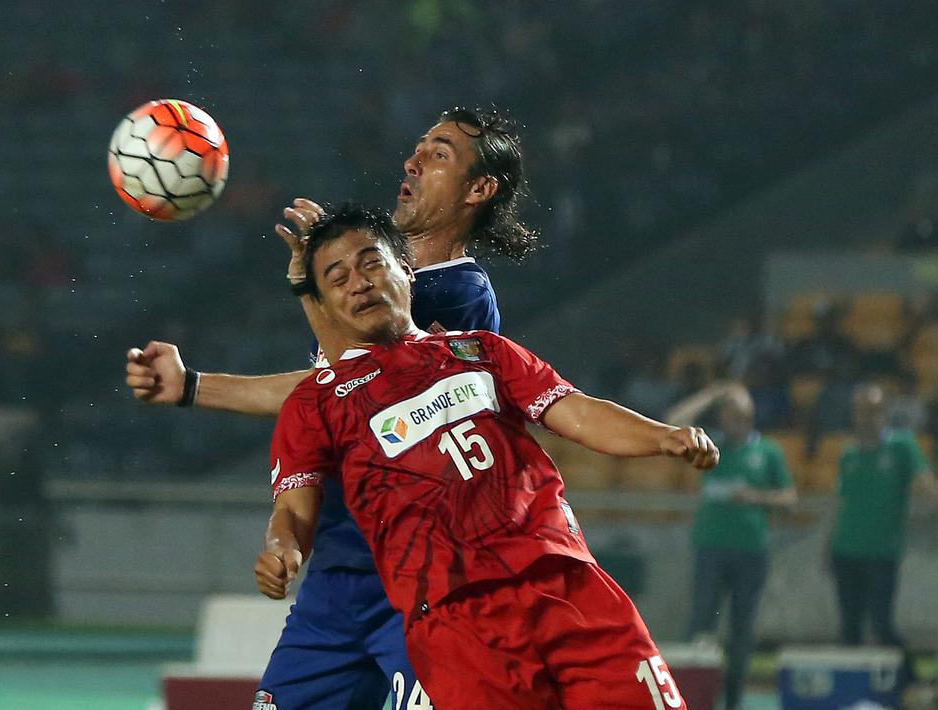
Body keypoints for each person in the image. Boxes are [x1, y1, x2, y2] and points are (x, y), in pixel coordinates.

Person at [128, 107, 531, 708]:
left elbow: (362, 386)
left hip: (421, 580)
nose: (413, 161)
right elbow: (328, 392)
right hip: (342, 573)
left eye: (440, 153)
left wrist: (307, 293)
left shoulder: (460, 296)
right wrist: (191, 385)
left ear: (478, 190)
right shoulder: (367, 284)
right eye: (418, 146)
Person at [258, 205, 718, 707]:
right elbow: (294, 508)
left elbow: (576, 412)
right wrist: (284, 549)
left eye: (371, 263)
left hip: (565, 585)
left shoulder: (484, 351)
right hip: (457, 620)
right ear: (323, 304)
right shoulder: (315, 403)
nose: (359, 283)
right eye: (338, 277)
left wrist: (662, 436)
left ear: (405, 271)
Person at [669, 382, 796, 710]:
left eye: (742, 415)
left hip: (751, 550)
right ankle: (691, 699)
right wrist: (709, 395)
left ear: (751, 416)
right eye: (730, 414)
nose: (736, 421)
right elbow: (672, 422)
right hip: (710, 547)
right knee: (700, 623)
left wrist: (754, 497)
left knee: (742, 630)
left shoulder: (768, 451)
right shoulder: (709, 446)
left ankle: (734, 701)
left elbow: (789, 497)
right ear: (722, 415)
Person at [829, 383, 938, 647]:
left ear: (885, 413)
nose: (867, 417)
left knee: (881, 623)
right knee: (849, 627)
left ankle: (908, 678)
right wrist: (829, 543)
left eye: (874, 411)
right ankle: (854, 686)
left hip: (882, 551)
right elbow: (841, 502)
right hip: (846, 550)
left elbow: (924, 481)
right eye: (862, 411)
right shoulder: (850, 454)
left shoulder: (901, 446)